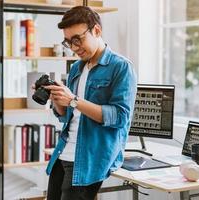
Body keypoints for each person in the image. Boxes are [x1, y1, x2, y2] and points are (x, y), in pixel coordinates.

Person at [43, 6, 137, 200]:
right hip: (63, 154)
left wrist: (74, 100)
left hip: (89, 159)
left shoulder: (121, 67)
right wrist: (58, 99)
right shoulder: (77, 67)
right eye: (69, 42)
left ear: (97, 31)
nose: (75, 47)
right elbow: (67, 116)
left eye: (78, 39)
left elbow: (120, 117)